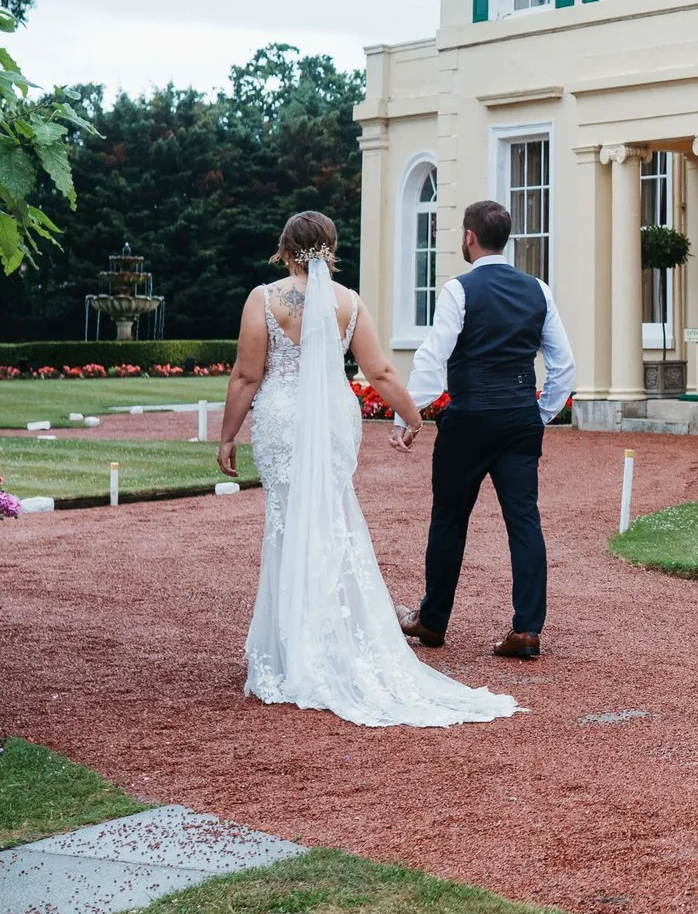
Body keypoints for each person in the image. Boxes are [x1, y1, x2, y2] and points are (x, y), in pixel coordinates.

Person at [217, 211, 516, 727]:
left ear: (285, 250)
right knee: (332, 518)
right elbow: (377, 370)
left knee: (288, 522)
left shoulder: (264, 299)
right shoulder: (348, 303)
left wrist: (226, 435)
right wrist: (412, 414)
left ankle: (294, 648)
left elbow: (247, 375)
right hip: (333, 419)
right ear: (329, 250)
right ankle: (334, 639)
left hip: (283, 421)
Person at [396, 198, 574, 661]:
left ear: (469, 238)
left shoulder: (459, 290)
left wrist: (408, 416)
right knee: (525, 522)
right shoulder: (539, 289)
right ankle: (527, 629)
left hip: (470, 418)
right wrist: (540, 413)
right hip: (519, 418)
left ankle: (433, 621)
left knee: (449, 519)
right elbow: (564, 364)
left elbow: (432, 358)